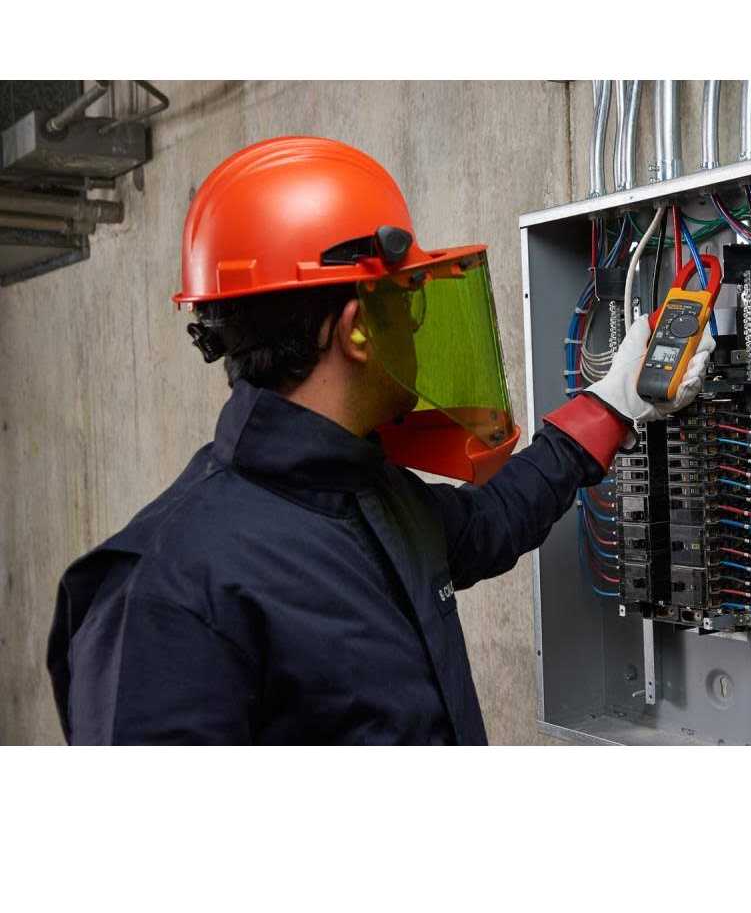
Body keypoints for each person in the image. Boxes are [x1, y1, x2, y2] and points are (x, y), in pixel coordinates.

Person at [46, 136, 713, 745]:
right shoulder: (161, 593)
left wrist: (614, 403)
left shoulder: (368, 496)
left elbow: (489, 523)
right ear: (357, 329)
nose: (418, 324)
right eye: (409, 297)